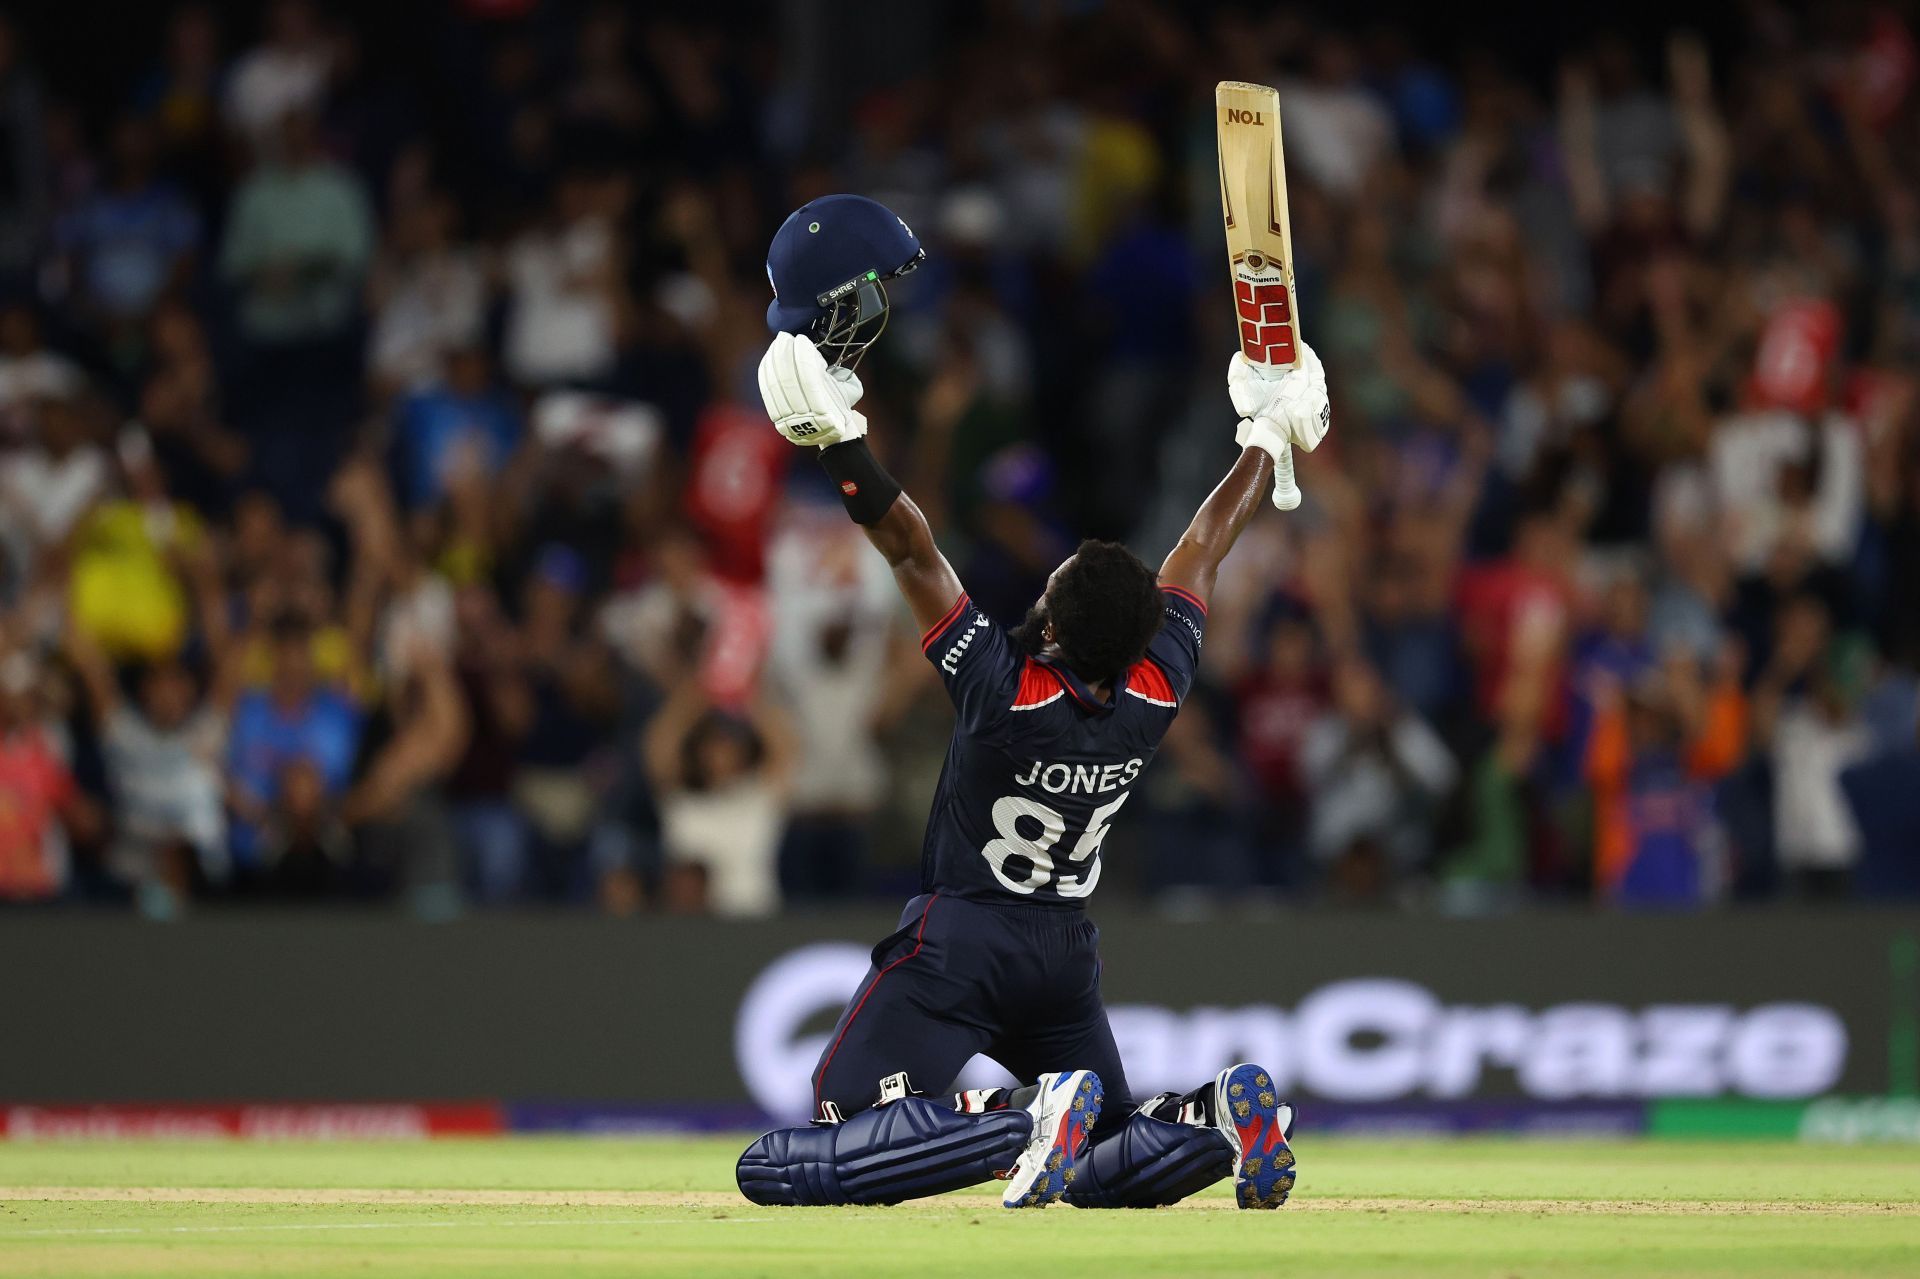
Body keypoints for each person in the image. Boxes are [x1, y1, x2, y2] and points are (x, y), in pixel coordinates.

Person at [734, 195, 1328, 1211]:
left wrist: (837, 442)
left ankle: (1014, 1119)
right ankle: (1218, 1118)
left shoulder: (1000, 689)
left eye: (1045, 588)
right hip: (1062, 950)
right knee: (1105, 1166)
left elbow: (912, 548)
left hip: (962, 940)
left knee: (794, 1154)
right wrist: (1269, 437)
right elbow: (1204, 546)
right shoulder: (1157, 681)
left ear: (1050, 623)